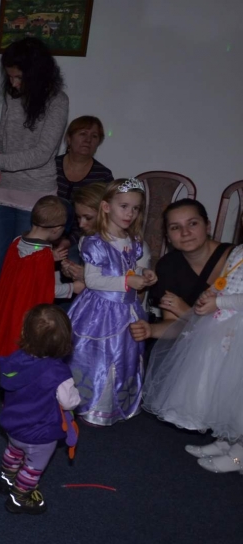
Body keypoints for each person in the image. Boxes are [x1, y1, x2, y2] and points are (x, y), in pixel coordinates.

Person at [0, 37, 69, 358]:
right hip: (3, 192)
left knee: (25, 275)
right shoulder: (13, 97)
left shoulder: (57, 101)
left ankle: (23, 343)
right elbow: (3, 140)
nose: (13, 83)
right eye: (9, 77)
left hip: (35, 197)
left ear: (36, 74)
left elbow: (42, 153)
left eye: (19, 77)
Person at [144, 243, 243, 474]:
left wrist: (219, 302)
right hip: (224, 327)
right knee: (221, 385)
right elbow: (226, 279)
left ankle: (239, 454)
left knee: (237, 391)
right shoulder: (239, 250)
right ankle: (225, 439)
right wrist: (212, 292)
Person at [68, 178, 155, 426]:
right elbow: (93, 280)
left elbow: (132, 267)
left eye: (135, 208)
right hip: (99, 312)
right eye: (124, 206)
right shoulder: (96, 243)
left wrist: (145, 274)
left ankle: (114, 404)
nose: (130, 213)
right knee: (98, 357)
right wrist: (127, 282)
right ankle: (91, 404)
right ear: (106, 207)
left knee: (123, 355)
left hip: (126, 310)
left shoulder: (133, 241)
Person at [0, 196, 81, 392]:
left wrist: (51, 257)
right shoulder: (42, 256)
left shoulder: (17, 241)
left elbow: (27, 264)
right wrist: (72, 288)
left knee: (1, 337)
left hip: (7, 305)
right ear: (56, 229)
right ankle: (15, 384)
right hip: (24, 310)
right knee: (19, 345)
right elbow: (47, 288)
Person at [0, 304, 81, 514]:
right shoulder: (58, 373)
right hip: (40, 433)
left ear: (24, 332)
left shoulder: (15, 359)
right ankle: (19, 497)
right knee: (33, 465)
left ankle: (6, 478)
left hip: (13, 424)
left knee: (13, 450)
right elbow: (69, 402)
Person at [128, 200, 232, 342]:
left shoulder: (236, 258)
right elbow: (174, 324)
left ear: (207, 226)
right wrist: (151, 330)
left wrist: (186, 312)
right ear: (168, 237)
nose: (185, 232)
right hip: (194, 343)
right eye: (175, 227)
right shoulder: (168, 265)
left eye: (193, 223)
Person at [55, 116, 113, 203]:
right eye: (83, 134)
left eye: (94, 136)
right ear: (69, 138)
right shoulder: (51, 166)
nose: (88, 140)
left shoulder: (103, 175)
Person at [60, 181, 108, 270]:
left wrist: (85, 276)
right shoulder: (85, 239)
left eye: (88, 218)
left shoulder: (123, 243)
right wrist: (73, 270)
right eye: (78, 217)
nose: (81, 225)